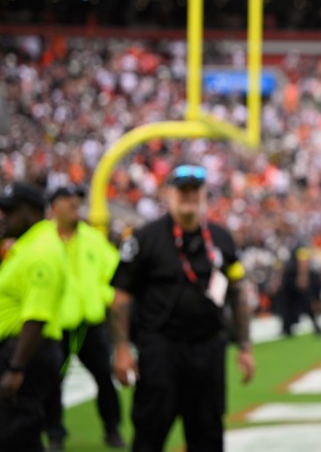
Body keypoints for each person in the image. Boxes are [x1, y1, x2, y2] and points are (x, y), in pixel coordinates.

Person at [109, 164, 256, 452]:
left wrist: (245, 346)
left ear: (204, 194)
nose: (189, 196)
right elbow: (121, 297)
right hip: (161, 349)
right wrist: (123, 349)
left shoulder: (222, 239)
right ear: (168, 194)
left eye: (195, 190)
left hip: (209, 349)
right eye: (183, 190)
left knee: (208, 433)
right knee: (150, 431)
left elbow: (238, 294)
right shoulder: (144, 238)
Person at [0, 181, 67, 452]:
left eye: (8, 212)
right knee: (17, 437)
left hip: (25, 352)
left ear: (30, 212)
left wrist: (16, 368)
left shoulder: (40, 251)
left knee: (16, 439)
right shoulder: (29, 245)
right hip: (24, 350)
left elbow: (36, 315)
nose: (1, 218)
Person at [43, 184, 124, 450]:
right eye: (67, 200)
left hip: (90, 323)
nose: (74, 204)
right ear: (54, 207)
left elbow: (114, 272)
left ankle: (112, 429)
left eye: (77, 200)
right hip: (58, 325)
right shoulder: (43, 241)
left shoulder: (92, 238)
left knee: (104, 378)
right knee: (53, 383)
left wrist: (105, 296)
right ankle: (55, 435)